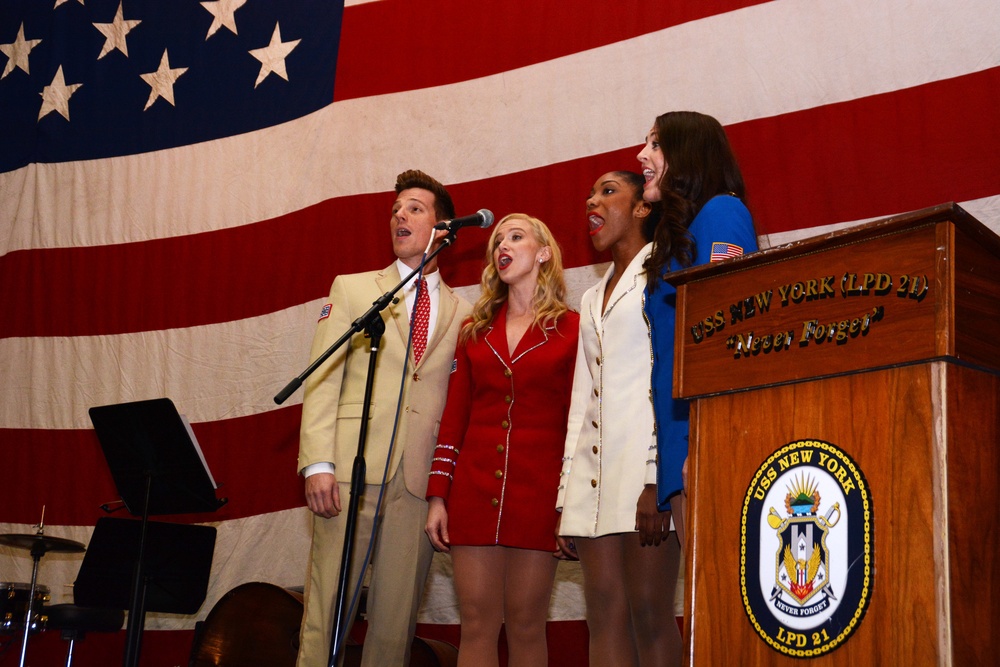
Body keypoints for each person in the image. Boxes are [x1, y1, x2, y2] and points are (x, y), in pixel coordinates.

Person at [296, 169, 472, 667]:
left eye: (415, 207)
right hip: (350, 472)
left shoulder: (465, 314)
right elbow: (323, 379)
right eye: (396, 208)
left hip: (417, 483)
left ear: (443, 228)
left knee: (394, 627)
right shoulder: (354, 290)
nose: (400, 214)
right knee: (326, 610)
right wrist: (318, 464)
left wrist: (444, 487)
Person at [424, 213, 579, 667]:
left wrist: (567, 501)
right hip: (472, 492)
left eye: (515, 236)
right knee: (475, 623)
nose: (502, 246)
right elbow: (455, 416)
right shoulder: (474, 328)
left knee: (527, 624)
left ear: (544, 252)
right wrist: (438, 495)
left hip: (540, 495)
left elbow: (578, 420)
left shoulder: (571, 328)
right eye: (497, 241)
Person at [555, 170, 682, 666]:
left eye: (608, 191)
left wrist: (657, 476)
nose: (593, 200)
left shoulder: (666, 271)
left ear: (642, 207)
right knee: (603, 615)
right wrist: (567, 491)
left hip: (643, 472)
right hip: (594, 479)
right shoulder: (589, 296)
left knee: (650, 613)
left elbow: (670, 376)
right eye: (590, 193)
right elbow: (582, 398)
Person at [637, 111, 759, 547]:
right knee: (701, 603)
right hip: (679, 439)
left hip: (706, 436)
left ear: (686, 152)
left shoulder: (722, 213)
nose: (641, 155)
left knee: (717, 598)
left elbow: (729, 334)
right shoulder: (681, 234)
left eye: (654, 144)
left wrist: (706, 440)